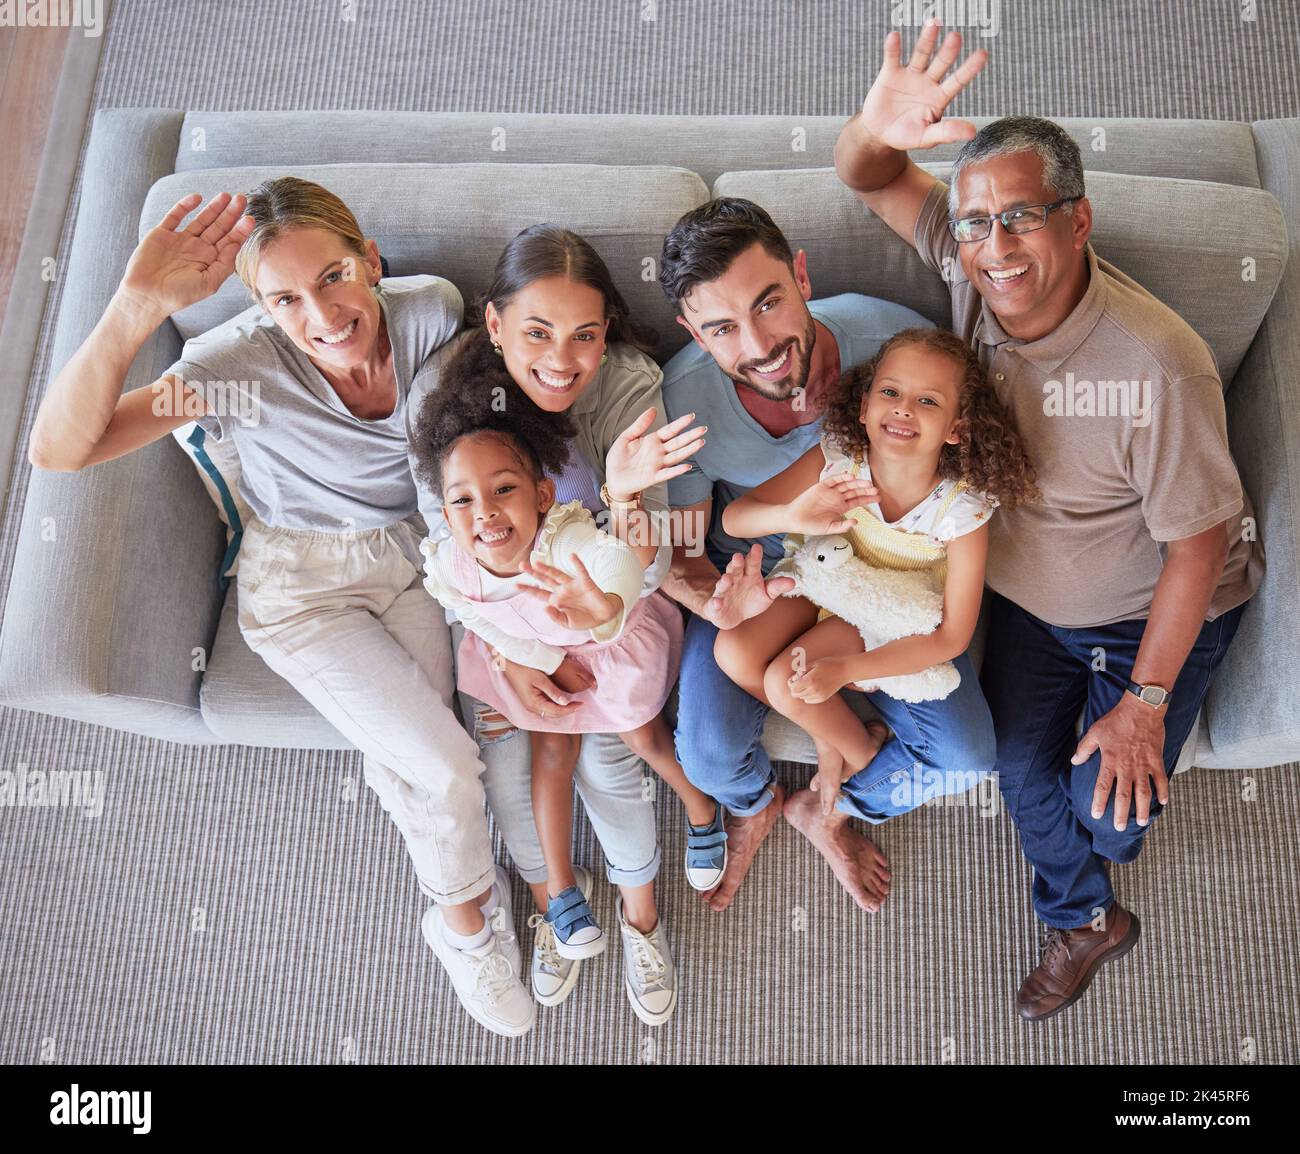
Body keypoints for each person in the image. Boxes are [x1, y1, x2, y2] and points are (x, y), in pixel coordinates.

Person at [26, 178, 535, 1036]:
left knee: (421, 750)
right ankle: (464, 931)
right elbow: (59, 450)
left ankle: (470, 883)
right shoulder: (237, 369)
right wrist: (135, 305)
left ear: (370, 259)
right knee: (449, 766)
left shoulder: (427, 313)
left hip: (409, 556)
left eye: (335, 277)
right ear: (260, 308)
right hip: (303, 588)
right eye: (286, 299)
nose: (325, 316)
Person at [833, 20, 1262, 1020]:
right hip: (1029, 606)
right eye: (976, 222)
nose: (993, 247)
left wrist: (1144, 702)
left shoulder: (1155, 363)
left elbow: (1198, 546)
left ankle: (1098, 870)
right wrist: (875, 124)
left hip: (1145, 611)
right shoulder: (970, 268)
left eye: (1020, 218)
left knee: (1106, 815)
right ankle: (1086, 920)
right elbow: (867, 175)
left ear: (1078, 221)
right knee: (1025, 777)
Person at [409, 225, 719, 1020]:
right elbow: (448, 537)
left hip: (609, 594)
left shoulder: (624, 389)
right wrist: (514, 655)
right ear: (495, 323)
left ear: (607, 332)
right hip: (502, 616)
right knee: (508, 765)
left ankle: (641, 917)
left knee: (610, 761)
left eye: (585, 335)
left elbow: (649, 566)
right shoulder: (444, 389)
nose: (561, 359)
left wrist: (619, 508)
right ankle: (556, 906)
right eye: (537, 332)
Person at [655, 196, 934, 914]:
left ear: (802, 277)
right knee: (709, 757)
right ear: (693, 333)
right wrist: (717, 599)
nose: (758, 345)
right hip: (755, 574)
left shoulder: (894, 343)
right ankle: (762, 804)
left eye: (768, 303)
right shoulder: (685, 401)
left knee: (963, 755)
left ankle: (834, 803)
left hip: (868, 561)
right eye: (721, 328)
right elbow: (683, 555)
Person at [715, 329, 1035, 890]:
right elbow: (736, 519)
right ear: (863, 408)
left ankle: (840, 786)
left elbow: (952, 637)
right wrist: (796, 511)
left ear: (957, 429)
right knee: (731, 651)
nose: (904, 409)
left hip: (889, 616)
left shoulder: (961, 509)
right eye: (890, 392)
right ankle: (851, 747)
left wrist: (849, 671)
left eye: (929, 401)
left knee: (786, 683)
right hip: (828, 584)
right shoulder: (841, 462)